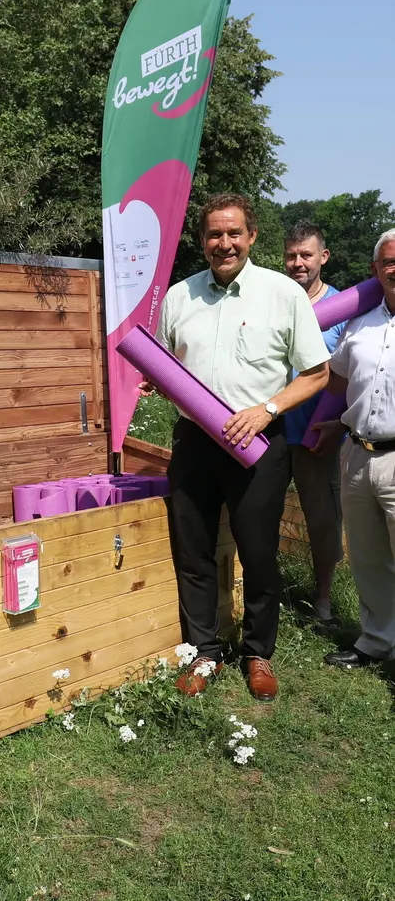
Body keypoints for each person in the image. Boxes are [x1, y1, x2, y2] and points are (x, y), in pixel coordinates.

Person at [145, 193, 329, 701]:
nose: (223, 243)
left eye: (233, 233)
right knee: (195, 550)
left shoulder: (282, 294)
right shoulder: (179, 298)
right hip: (194, 445)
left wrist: (265, 410)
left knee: (259, 551)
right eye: (213, 234)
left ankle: (257, 652)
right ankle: (204, 653)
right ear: (201, 240)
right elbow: (165, 372)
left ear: (251, 237)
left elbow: (316, 373)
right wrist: (153, 383)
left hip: (259, 446)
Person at [323, 229, 395, 669]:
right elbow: (335, 382)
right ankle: (377, 640)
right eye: (388, 261)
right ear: (375, 270)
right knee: (367, 558)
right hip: (356, 456)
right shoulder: (359, 325)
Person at [283, 221, 346, 622]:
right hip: (268, 430)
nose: (298, 263)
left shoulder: (345, 307)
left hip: (317, 433)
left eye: (306, 254)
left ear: (323, 257)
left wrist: (337, 421)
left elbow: (351, 372)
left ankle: (322, 597)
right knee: (257, 513)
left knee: (322, 518)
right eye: (291, 255)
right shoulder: (273, 297)